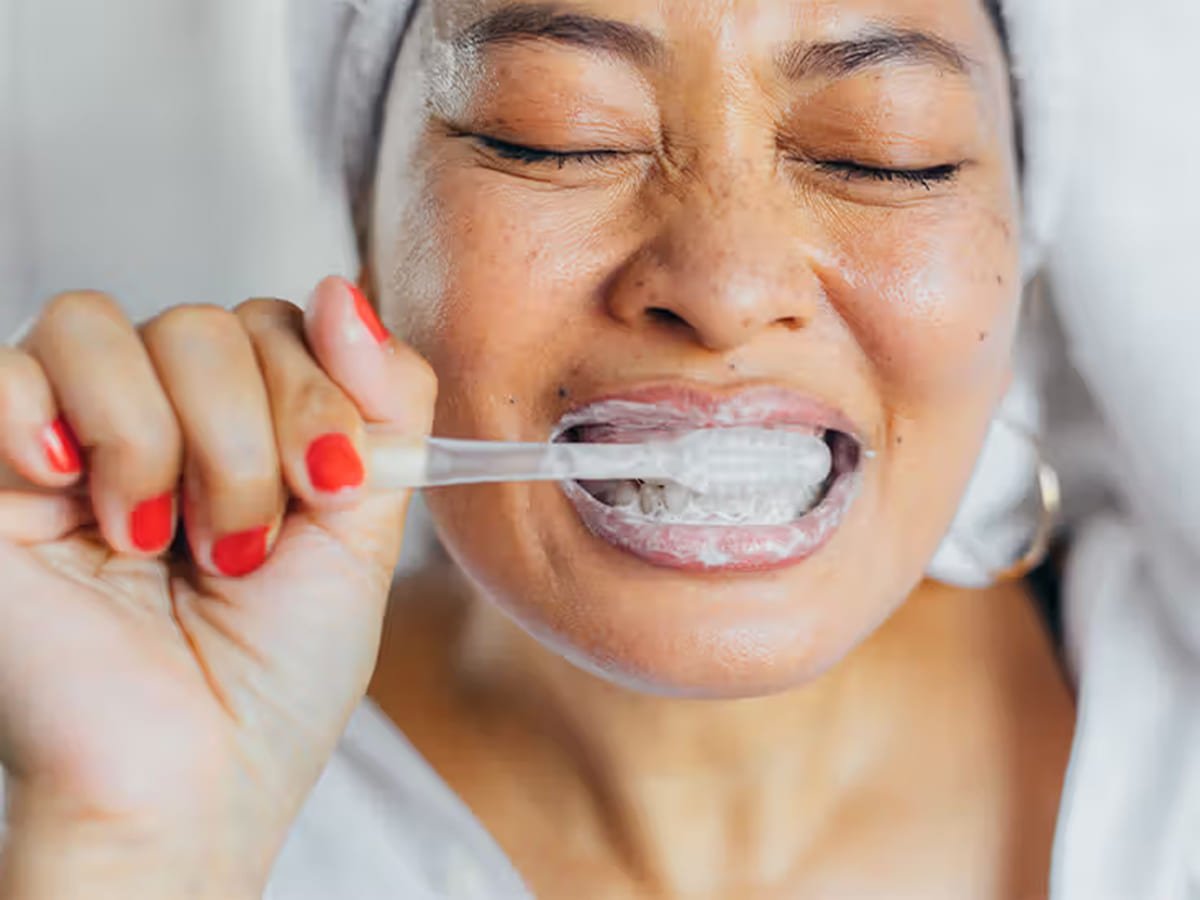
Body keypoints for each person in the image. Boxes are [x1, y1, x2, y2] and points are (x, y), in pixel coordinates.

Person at [0, 0, 1077, 897]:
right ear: (368, 226)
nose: (725, 285)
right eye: (554, 136)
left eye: (886, 156)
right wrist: (132, 852)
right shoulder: (132, 752)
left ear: (1022, 262)